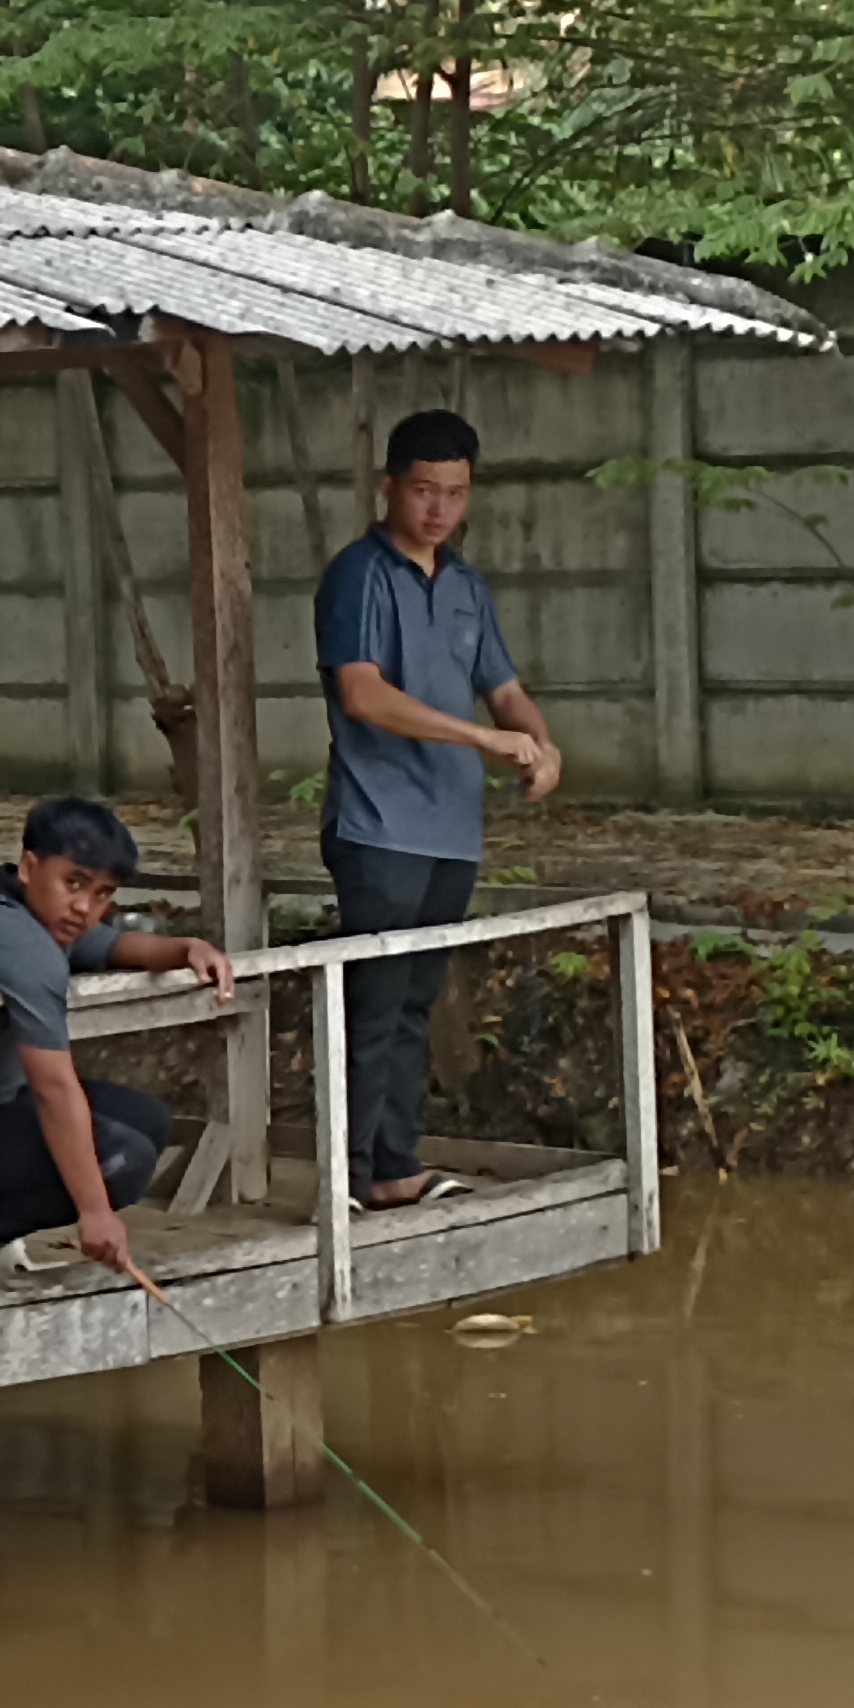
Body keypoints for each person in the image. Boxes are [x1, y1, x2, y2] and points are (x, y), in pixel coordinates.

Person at [320, 407, 555, 1208]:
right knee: (373, 1001)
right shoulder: (360, 574)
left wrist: (538, 743)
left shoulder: (466, 585)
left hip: (453, 830)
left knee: (418, 1000)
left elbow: (506, 687)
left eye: (455, 493)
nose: (438, 510)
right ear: (389, 488)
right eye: (423, 490)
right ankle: (343, 1178)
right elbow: (363, 694)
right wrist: (482, 742)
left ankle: (393, 1167)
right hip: (378, 822)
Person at [0, 797, 234, 1282]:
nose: (86, 907)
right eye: (75, 883)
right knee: (122, 1160)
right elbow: (54, 1087)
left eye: (103, 893)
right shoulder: (12, 939)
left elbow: (112, 945)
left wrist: (188, 948)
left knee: (149, 1121)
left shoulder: (35, 913)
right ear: (29, 866)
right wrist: (96, 1214)